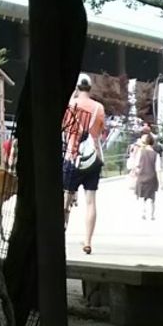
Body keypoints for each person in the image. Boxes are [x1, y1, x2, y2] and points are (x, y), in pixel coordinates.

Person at [62, 74, 106, 254]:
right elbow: (100, 131)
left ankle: (61, 234)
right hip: (92, 158)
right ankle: (87, 241)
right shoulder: (99, 108)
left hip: (73, 156)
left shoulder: (70, 106)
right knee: (90, 201)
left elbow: (64, 128)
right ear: (90, 88)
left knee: (66, 199)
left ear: (77, 87)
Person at [129, 130, 159, 221]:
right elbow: (158, 169)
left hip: (142, 177)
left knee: (142, 197)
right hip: (152, 177)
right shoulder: (156, 154)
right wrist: (161, 182)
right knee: (152, 197)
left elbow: (136, 164)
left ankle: (143, 212)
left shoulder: (141, 152)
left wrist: (135, 172)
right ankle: (152, 215)